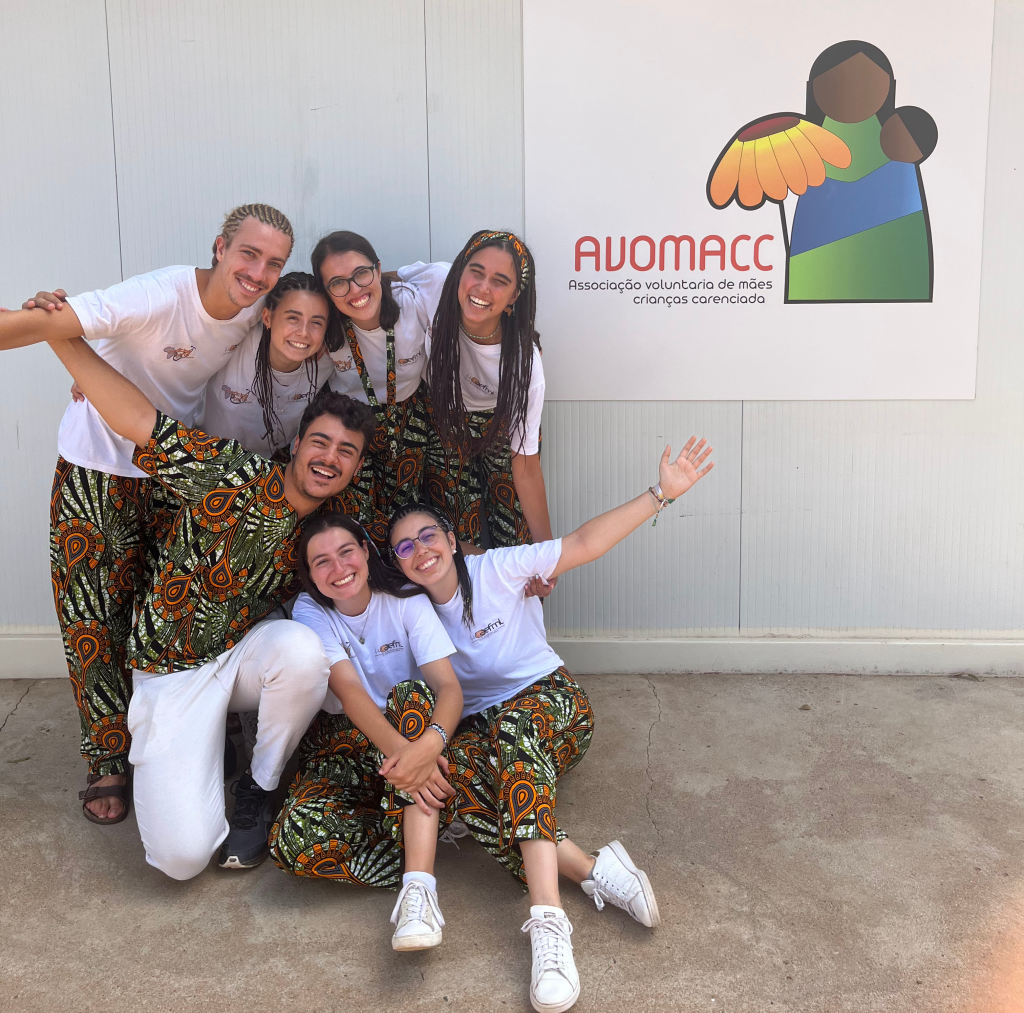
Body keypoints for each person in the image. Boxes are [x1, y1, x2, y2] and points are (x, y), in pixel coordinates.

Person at [19, 322, 381, 878]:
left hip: (244, 661)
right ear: (297, 444)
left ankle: (258, 787)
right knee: (181, 858)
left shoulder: (334, 529)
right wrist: (60, 337)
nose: (330, 458)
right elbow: (139, 422)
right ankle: (195, 749)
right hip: (171, 672)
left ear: (356, 466)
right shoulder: (233, 475)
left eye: (346, 452)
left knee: (305, 651)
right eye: (320, 442)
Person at [387, 435, 714, 1013]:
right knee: (446, 778)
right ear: (398, 564)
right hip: (488, 730)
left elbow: (583, 543)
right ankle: (592, 869)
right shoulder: (409, 612)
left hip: (553, 704)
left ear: (453, 540)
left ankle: (548, 924)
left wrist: (660, 493)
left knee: (514, 732)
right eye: (405, 547)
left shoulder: (497, 569)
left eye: (428, 535)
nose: (420, 550)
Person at [0, 204, 294, 824]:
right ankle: (108, 758)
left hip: (170, 472)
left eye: (274, 263)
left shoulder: (258, 310)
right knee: (92, 618)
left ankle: (192, 725)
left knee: (168, 609)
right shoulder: (158, 294)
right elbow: (26, 326)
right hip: (95, 468)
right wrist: (53, 323)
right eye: (249, 254)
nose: (259, 272)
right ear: (220, 247)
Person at [270, 514, 463, 951]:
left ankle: (419, 886)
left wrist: (428, 747)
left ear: (365, 550)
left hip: (412, 727)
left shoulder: (406, 599)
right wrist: (410, 761)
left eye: (346, 552)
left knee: (411, 697)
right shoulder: (310, 610)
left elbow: (449, 688)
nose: (338, 569)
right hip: (346, 738)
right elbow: (350, 692)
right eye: (322, 562)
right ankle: (423, 828)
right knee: (290, 841)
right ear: (310, 575)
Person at [311, 231, 450, 540]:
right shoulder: (323, 326)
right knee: (351, 518)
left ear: (378, 268)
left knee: (404, 515)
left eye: (361, 273)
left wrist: (522, 335)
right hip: (349, 421)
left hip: (408, 416)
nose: (354, 290)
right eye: (338, 283)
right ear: (326, 291)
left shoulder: (411, 304)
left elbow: (464, 282)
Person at [423, 230, 549, 552]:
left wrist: (546, 554)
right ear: (459, 271)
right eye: (476, 272)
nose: (482, 288)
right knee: (455, 537)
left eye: (499, 281)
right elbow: (379, 282)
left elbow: (526, 468)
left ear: (514, 297)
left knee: (516, 538)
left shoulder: (524, 366)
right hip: (445, 413)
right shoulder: (433, 286)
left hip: (502, 420)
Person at [200, 270, 332, 458]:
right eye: (293, 318)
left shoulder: (327, 361)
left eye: (316, 322)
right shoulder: (235, 340)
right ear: (267, 318)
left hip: (266, 465)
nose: (304, 332)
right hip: (204, 456)